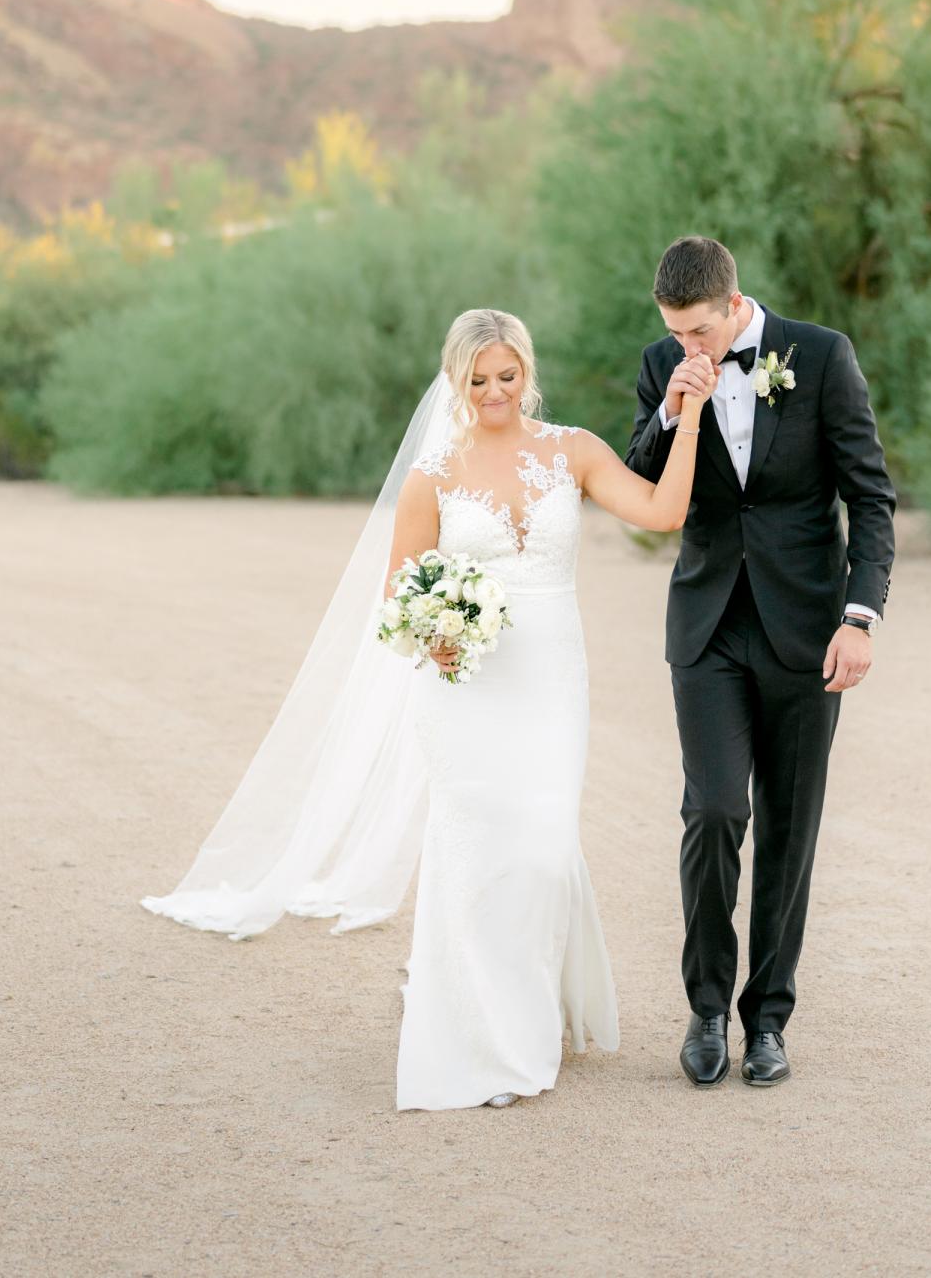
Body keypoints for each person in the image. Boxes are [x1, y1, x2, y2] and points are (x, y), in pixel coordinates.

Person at [143, 306, 717, 1113]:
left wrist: (689, 419)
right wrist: (435, 638)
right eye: (478, 380)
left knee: (545, 849)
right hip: (465, 689)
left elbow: (663, 513)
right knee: (479, 850)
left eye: (507, 376)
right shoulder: (433, 477)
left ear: (528, 373)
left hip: (553, 680)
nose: (494, 392)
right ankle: (489, 1028)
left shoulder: (573, 452)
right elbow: (396, 599)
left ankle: (535, 1001)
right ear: (456, 381)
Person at [625, 237, 895, 1088]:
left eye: (701, 333)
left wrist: (860, 617)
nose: (689, 349)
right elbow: (639, 488)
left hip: (806, 630)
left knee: (789, 824)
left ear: (735, 306)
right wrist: (673, 412)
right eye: (676, 334)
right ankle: (706, 1008)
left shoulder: (820, 357)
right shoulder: (662, 365)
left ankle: (767, 1019)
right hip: (707, 628)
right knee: (712, 810)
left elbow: (870, 495)